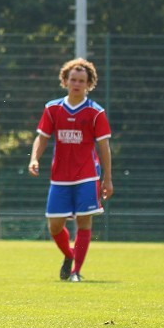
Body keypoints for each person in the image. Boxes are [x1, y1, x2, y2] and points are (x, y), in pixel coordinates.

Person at [28, 58, 114, 282]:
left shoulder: (96, 112)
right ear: (65, 81)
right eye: (73, 79)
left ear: (89, 84)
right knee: (54, 226)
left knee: (84, 222)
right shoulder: (52, 108)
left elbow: (104, 147)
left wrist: (107, 178)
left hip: (87, 175)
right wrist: (34, 159)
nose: (76, 84)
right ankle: (69, 255)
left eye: (81, 81)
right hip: (60, 177)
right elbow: (42, 138)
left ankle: (76, 272)